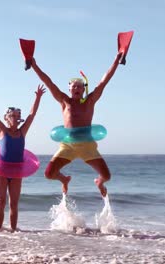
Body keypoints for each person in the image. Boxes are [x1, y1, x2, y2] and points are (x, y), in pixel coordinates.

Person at [30, 51, 123, 197]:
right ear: (69, 89)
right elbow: (49, 83)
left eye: (79, 86)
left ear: (83, 89)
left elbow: (104, 81)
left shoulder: (90, 100)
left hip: (88, 145)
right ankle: (63, 179)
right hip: (68, 145)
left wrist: (116, 61)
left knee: (107, 176)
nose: (76, 89)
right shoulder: (64, 101)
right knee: (49, 174)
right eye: (73, 86)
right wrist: (34, 65)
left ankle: (99, 182)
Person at [0, 80, 45, 231]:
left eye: (17, 115)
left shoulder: (22, 131)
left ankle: (13, 232)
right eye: (12, 115)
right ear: (7, 118)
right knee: (1, 202)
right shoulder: (2, 130)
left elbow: (32, 115)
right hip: (1, 171)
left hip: (17, 171)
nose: (15, 117)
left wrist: (38, 97)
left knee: (14, 204)